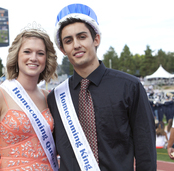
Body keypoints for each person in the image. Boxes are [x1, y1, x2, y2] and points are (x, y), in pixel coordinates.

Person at [47, 3, 156, 171]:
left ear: (96, 39)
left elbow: (145, 151)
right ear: (62, 49)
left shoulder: (130, 87)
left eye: (82, 37)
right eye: (68, 41)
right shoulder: (55, 97)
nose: (76, 45)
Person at [0, 27, 58, 171]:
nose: (33, 58)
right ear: (17, 55)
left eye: (40, 53)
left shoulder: (48, 97)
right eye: (27, 51)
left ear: (46, 58)